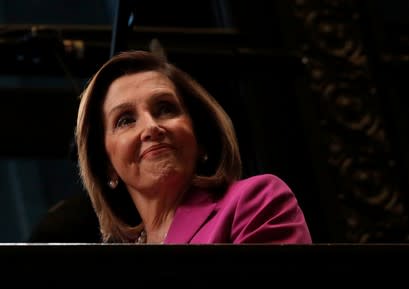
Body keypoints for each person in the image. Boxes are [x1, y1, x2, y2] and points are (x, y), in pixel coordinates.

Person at [75, 49, 312, 244]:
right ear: (107, 165)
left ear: (200, 137)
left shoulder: (256, 201)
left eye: (165, 108)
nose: (151, 127)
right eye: (125, 120)